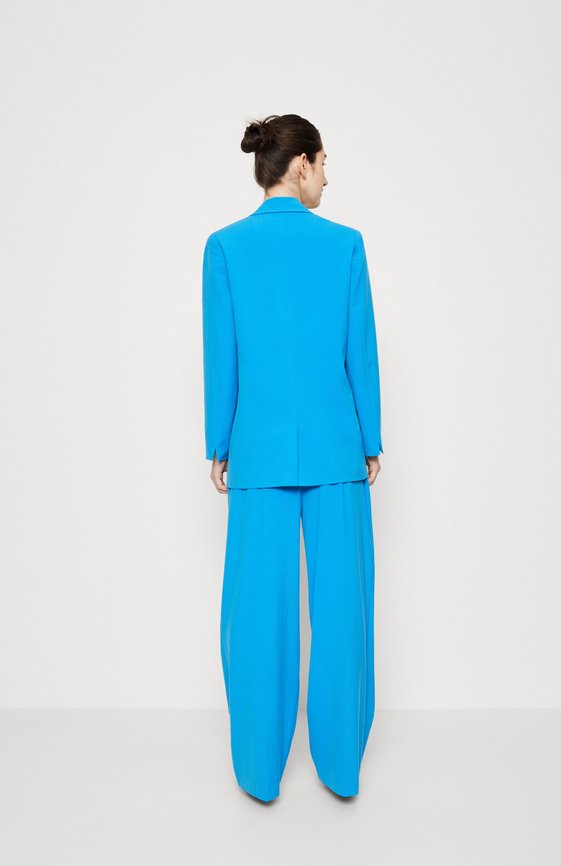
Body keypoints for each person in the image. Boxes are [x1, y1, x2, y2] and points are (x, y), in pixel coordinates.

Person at [202, 113, 384, 802]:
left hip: (257, 450)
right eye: (324, 162)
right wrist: (370, 438)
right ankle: (340, 767)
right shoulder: (345, 245)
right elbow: (360, 350)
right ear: (301, 164)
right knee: (344, 613)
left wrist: (220, 442)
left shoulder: (225, 247)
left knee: (256, 614)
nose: (328, 177)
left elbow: (223, 353)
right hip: (337, 450)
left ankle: (258, 769)